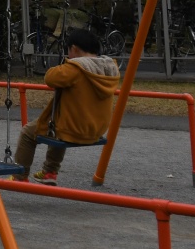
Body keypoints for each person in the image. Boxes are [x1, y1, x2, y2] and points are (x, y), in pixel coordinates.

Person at [15, 27, 121, 184]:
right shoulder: (109, 68)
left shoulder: (75, 69)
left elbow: (50, 78)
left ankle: (20, 176)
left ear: (74, 48)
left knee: (28, 133)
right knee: (57, 123)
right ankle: (49, 173)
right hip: (96, 129)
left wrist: (66, 63)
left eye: (68, 51)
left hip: (74, 128)